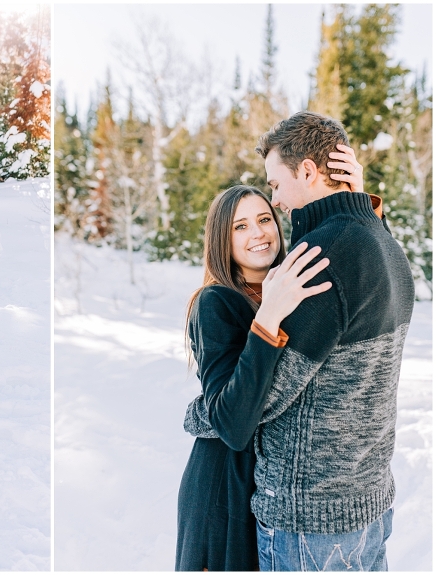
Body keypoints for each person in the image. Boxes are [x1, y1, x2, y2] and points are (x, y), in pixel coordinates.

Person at [184, 111, 415, 571]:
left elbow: (252, 407)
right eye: (239, 226)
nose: (274, 208)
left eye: (272, 192)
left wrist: (200, 412)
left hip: (313, 520)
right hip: (340, 504)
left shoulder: (315, 264)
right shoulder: (382, 244)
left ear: (307, 172)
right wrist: (360, 208)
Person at [175, 185, 332, 570]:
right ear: (221, 241)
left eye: (264, 220)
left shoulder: (291, 286)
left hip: (274, 485)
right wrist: (267, 318)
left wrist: (362, 202)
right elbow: (232, 420)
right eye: (239, 227)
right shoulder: (217, 302)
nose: (258, 233)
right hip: (225, 484)